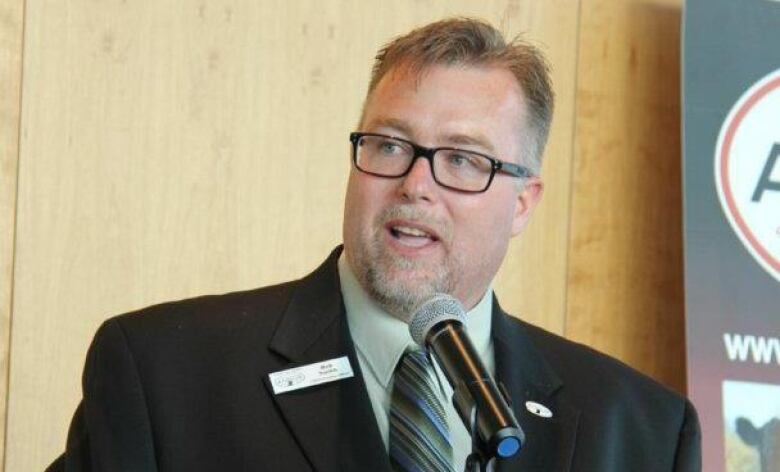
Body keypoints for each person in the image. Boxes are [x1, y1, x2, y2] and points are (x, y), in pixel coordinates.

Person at [48, 18, 701, 472]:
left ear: (523, 202)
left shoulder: (640, 431)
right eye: (389, 145)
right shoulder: (165, 374)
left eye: (463, 159)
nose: (416, 184)